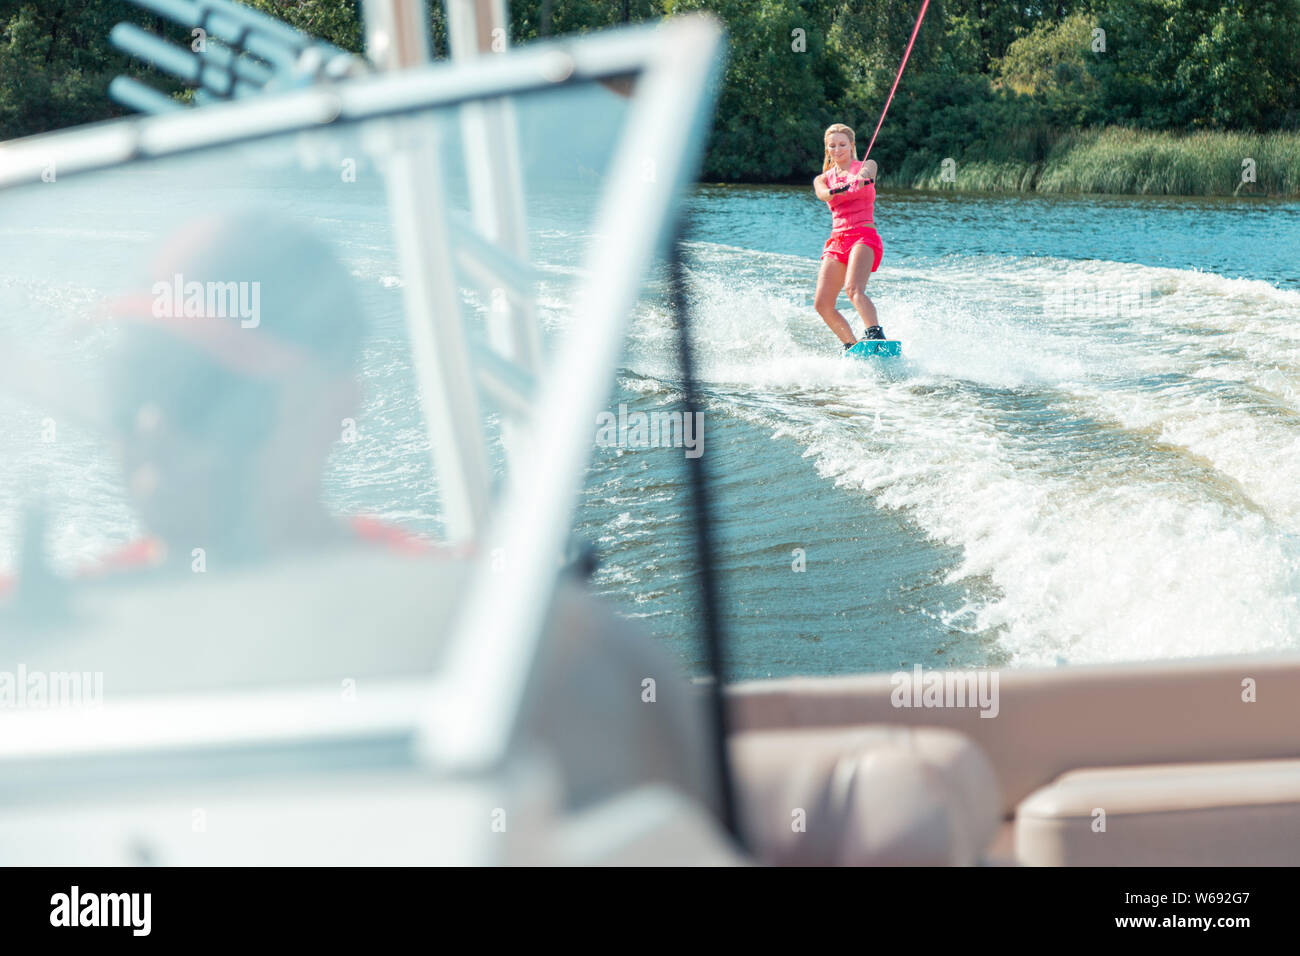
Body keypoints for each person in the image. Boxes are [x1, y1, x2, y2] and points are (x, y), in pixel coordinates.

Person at [812, 123, 886, 350]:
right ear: (827, 149)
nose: (837, 149)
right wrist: (840, 189)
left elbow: (868, 173)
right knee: (822, 304)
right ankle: (851, 346)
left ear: (851, 145)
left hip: (863, 236)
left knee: (853, 289)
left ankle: (875, 335)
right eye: (832, 146)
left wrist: (859, 178)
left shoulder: (867, 165)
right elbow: (823, 194)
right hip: (837, 241)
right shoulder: (822, 179)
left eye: (842, 144)